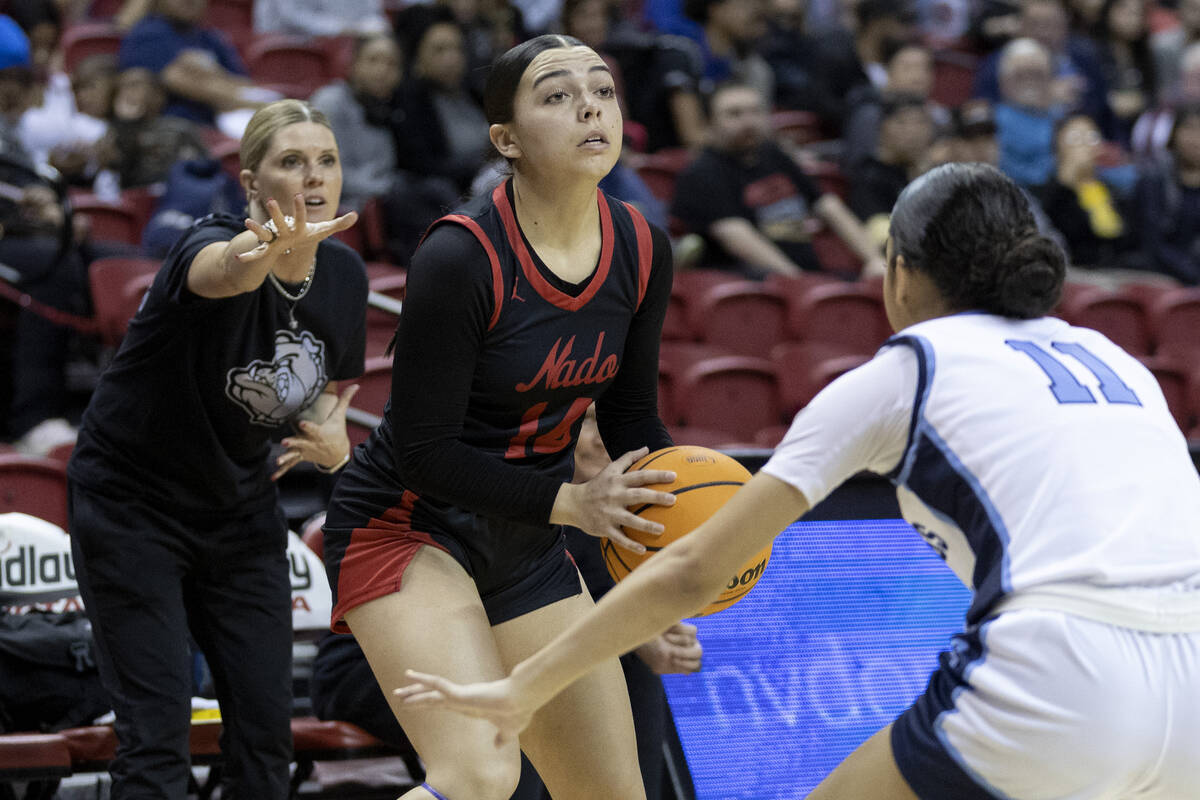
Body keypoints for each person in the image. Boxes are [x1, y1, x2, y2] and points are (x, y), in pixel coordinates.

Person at [397, 162, 1200, 800]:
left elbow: (692, 566)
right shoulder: (1118, 359)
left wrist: (527, 684)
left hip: (1064, 666)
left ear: (901, 273)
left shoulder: (908, 370)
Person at [321, 33, 682, 800]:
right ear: (505, 140)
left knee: (612, 792)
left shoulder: (644, 246)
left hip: (525, 540)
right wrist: (573, 506)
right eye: (556, 94)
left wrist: (679, 554)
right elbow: (425, 452)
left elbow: (633, 422)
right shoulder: (460, 257)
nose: (589, 104)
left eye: (602, 90)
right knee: (482, 773)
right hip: (409, 526)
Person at [65, 98, 367, 800]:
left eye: (326, 160)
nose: (313, 176)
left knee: (267, 742)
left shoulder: (344, 277)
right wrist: (261, 253)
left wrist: (328, 433)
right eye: (291, 162)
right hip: (131, 505)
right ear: (251, 182)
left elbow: (320, 387)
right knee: (158, 737)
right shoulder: (208, 244)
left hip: (238, 509)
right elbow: (224, 271)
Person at [670, 80, 885, 279]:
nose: (748, 122)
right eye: (734, 114)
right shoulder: (700, 174)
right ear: (710, 123)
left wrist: (873, 259)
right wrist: (796, 280)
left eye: (755, 112)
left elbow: (827, 205)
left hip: (807, 274)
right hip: (754, 286)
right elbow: (736, 236)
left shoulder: (773, 155)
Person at [1133, 103, 1200, 285]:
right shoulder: (1154, 180)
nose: (1196, 139)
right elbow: (1153, 243)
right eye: (1190, 129)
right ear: (1174, 134)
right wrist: (1193, 275)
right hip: (1161, 273)